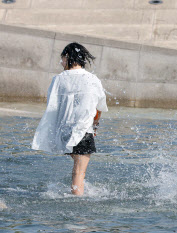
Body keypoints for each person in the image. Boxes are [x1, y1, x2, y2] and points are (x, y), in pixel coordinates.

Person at [32, 42, 108, 196]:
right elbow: (99, 107)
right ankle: (77, 203)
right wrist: (94, 126)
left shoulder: (58, 79)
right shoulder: (92, 79)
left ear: (68, 57)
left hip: (63, 132)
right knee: (79, 173)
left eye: (62, 59)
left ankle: (78, 192)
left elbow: (53, 105)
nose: (61, 63)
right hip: (83, 131)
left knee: (76, 165)